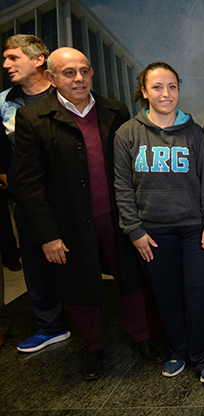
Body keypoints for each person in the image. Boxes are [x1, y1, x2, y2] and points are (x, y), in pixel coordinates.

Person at [13, 47, 163, 379]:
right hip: (68, 224)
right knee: (80, 286)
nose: (79, 78)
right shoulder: (33, 118)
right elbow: (29, 185)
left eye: (84, 70)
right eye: (69, 73)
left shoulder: (115, 110)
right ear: (51, 77)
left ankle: (142, 337)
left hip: (118, 217)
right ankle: (93, 347)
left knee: (131, 280)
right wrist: (47, 235)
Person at [114, 62, 204, 382]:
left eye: (172, 86)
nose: (166, 93)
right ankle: (179, 350)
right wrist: (134, 230)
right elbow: (122, 186)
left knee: (198, 293)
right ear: (144, 92)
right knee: (167, 296)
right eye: (158, 87)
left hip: (194, 228)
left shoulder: (193, 133)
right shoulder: (127, 133)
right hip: (152, 231)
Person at [1, 35, 72, 353]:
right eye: (6, 58)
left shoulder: (67, 95)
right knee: (34, 261)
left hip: (70, 196)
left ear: (39, 60)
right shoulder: (3, 102)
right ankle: (50, 326)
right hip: (28, 198)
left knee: (76, 260)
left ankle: (88, 322)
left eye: (14, 58)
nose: (6, 65)